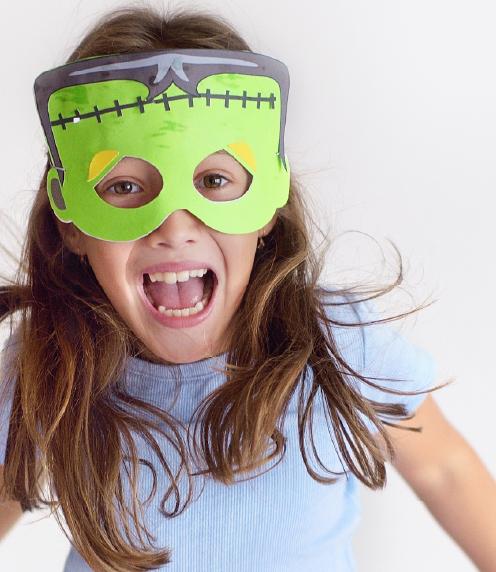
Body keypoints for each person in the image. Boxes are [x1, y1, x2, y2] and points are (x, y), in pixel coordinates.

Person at [0, 5, 492, 572]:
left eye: (214, 180)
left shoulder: (337, 342)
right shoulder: (52, 365)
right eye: (125, 186)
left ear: (268, 210)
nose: (174, 227)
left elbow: (445, 469)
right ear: (73, 225)